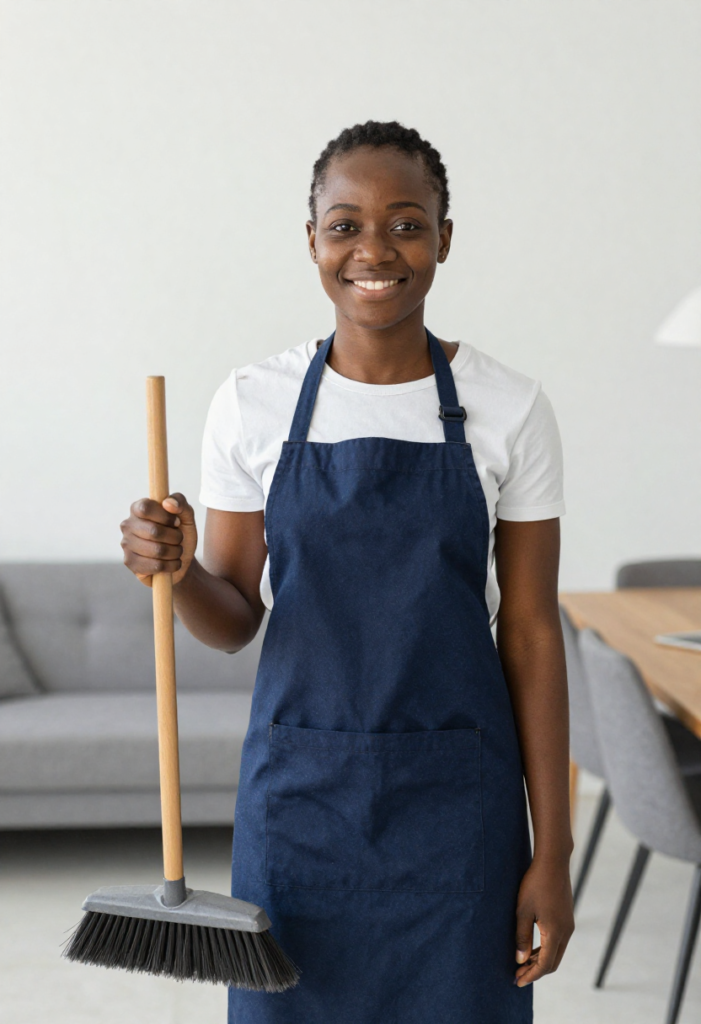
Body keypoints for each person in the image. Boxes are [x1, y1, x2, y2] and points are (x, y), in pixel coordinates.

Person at [120, 120, 574, 1024]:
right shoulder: (252, 403)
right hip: (300, 809)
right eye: (345, 225)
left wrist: (552, 848)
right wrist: (169, 574)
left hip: (459, 810)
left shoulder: (507, 407)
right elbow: (233, 614)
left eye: (406, 224)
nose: (375, 250)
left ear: (444, 237)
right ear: (313, 241)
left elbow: (527, 630)